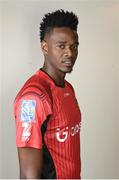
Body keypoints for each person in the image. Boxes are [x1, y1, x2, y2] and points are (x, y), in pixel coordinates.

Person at [13, 9, 82, 179]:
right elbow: (28, 175)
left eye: (74, 46)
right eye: (62, 46)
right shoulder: (33, 97)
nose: (70, 53)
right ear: (45, 47)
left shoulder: (68, 88)